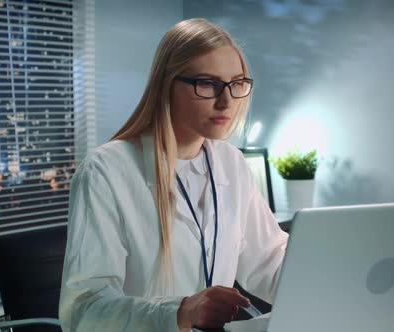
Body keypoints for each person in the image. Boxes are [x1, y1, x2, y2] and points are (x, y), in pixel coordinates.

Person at [59, 18, 288, 331]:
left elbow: (270, 263)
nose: (226, 101)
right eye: (207, 83)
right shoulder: (105, 170)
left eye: (236, 83)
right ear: (167, 85)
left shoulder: (231, 163)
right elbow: (84, 311)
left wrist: (343, 281)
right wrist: (181, 312)